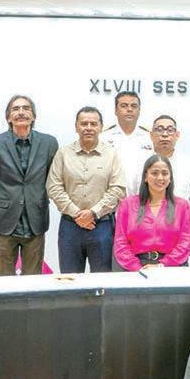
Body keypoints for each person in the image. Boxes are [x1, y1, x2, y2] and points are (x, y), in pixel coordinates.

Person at [0, 95, 59, 276]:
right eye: (15, 109)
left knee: (33, 280)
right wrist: (6, 202)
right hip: (4, 222)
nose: (21, 112)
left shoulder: (49, 143)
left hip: (35, 220)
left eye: (26, 108)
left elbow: (52, 178)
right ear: (8, 117)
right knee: (3, 280)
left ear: (33, 116)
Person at [47, 106, 126, 273]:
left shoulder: (111, 154)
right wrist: (77, 214)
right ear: (76, 127)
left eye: (93, 124)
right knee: (70, 279)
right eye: (84, 124)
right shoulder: (63, 153)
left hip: (102, 226)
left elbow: (118, 189)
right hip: (70, 226)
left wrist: (93, 213)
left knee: (102, 280)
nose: (88, 128)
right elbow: (53, 187)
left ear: (101, 127)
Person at [129, 115, 190, 243]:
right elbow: (131, 198)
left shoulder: (189, 165)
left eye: (169, 130)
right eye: (159, 130)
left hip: (179, 236)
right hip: (143, 236)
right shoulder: (139, 163)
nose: (164, 134)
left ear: (177, 135)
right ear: (151, 135)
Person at [112, 154, 190, 272]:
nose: (160, 178)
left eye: (165, 173)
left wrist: (162, 266)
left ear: (170, 177)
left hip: (171, 268)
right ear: (145, 176)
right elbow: (120, 243)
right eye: (154, 173)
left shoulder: (182, 206)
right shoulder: (127, 205)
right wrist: (137, 268)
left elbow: (185, 243)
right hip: (135, 269)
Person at [100, 91, 152, 189]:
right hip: (111, 193)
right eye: (124, 106)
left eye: (134, 106)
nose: (129, 109)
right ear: (115, 111)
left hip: (143, 194)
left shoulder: (150, 138)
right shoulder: (103, 137)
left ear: (139, 111)